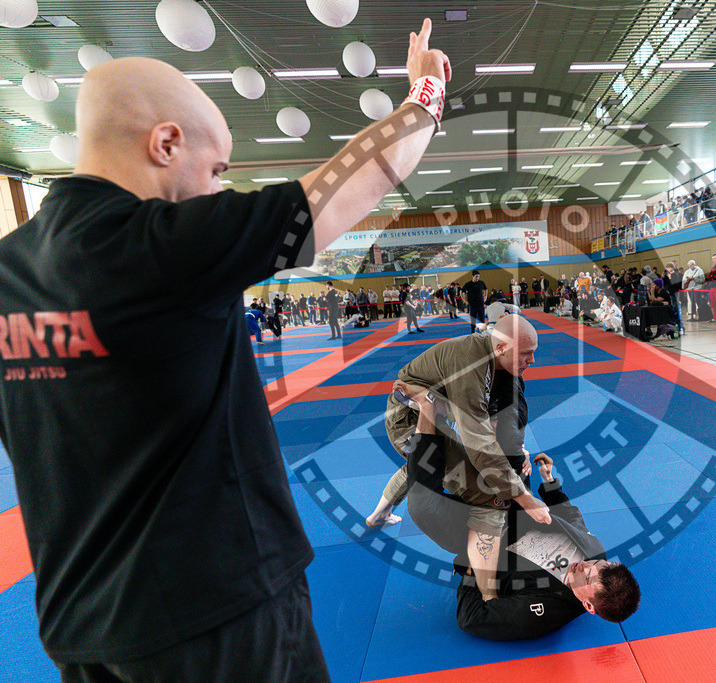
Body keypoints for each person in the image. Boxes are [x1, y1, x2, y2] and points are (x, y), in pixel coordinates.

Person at [0, 17, 452, 680]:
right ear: (165, 143)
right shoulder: (163, 243)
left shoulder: (6, 271)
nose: (217, 188)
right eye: (215, 170)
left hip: (83, 629)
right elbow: (364, 179)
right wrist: (426, 93)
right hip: (219, 612)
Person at [392, 378, 639, 639]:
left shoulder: (542, 612)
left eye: (587, 578)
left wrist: (470, 569)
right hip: (516, 508)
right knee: (513, 437)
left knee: (421, 505)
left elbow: (473, 618)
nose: (585, 567)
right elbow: (572, 519)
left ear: (588, 605)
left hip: (478, 537)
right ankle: (503, 368)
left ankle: (428, 411)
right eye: (597, 565)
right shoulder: (593, 551)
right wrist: (551, 483)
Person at [367, 315, 552, 599]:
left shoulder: (489, 355)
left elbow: (491, 423)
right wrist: (524, 498)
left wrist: (519, 450)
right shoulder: (472, 366)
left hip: (426, 412)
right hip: (408, 421)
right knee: (491, 494)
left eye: (533, 352)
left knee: (424, 466)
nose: (533, 360)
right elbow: (479, 443)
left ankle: (379, 514)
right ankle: (489, 597)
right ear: (501, 348)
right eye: (526, 353)